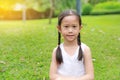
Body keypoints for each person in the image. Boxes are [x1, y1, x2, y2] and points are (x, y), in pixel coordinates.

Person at [49, 9, 94, 80]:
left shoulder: (85, 49)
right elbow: (53, 76)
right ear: (59, 28)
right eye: (66, 27)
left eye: (74, 26)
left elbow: (90, 76)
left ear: (80, 28)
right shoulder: (57, 50)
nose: (70, 31)